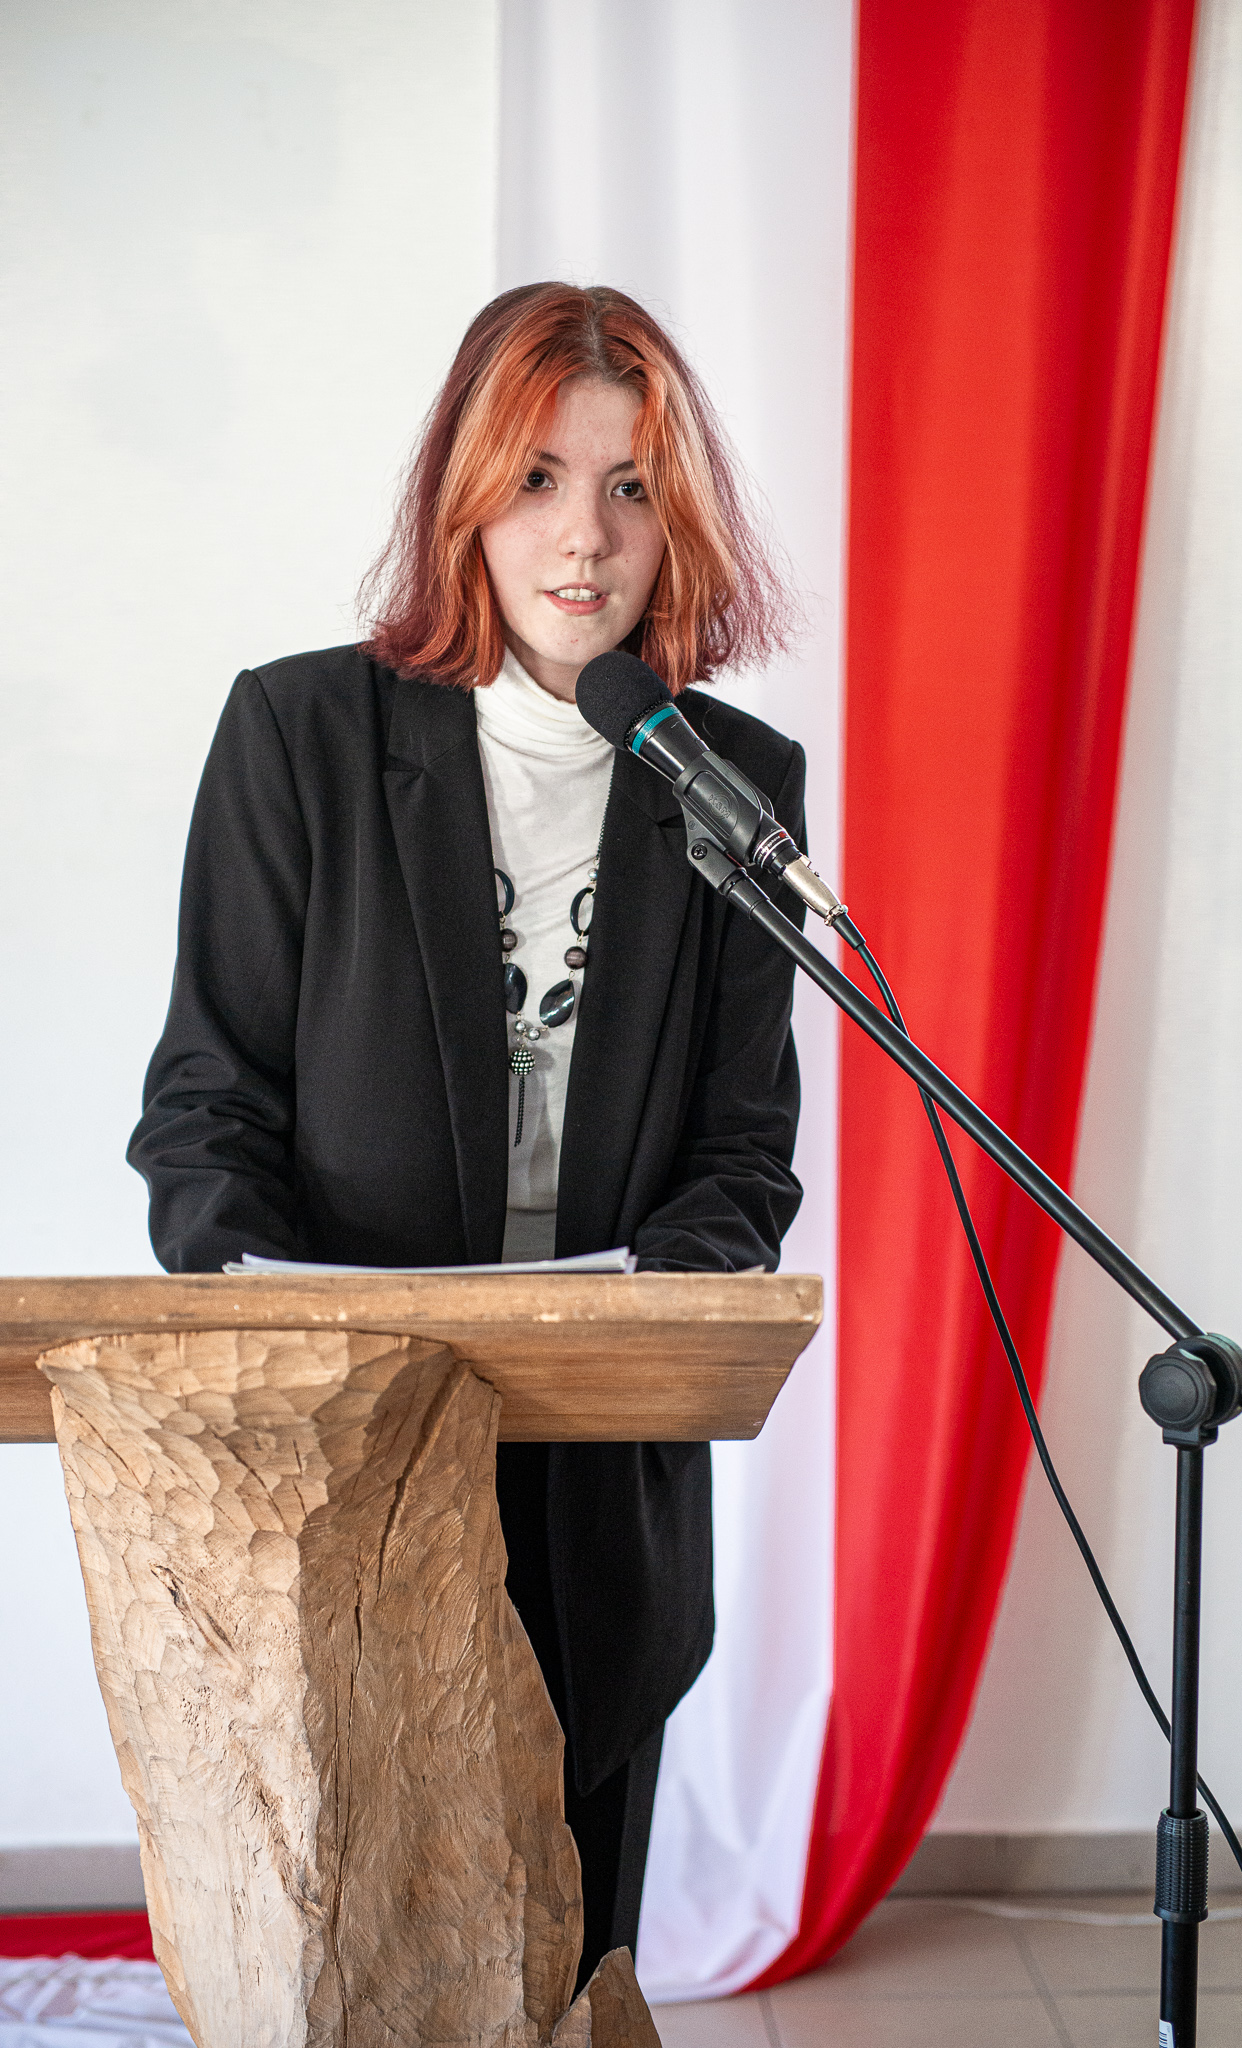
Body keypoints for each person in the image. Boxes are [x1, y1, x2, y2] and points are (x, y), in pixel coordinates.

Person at [128, 282, 805, 1984]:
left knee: (569, 1964)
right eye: (540, 480)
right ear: (465, 499)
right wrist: (271, 1316)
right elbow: (207, 1107)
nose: (587, 537)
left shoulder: (731, 780)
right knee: (361, 1966)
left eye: (634, 486)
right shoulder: (301, 736)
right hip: (346, 1454)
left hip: (601, 1472)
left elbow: (745, 1150)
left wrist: (656, 1303)